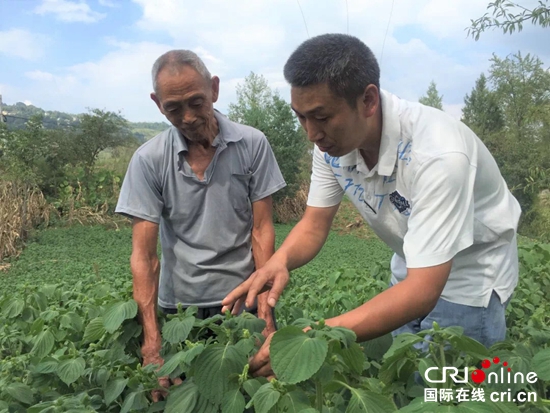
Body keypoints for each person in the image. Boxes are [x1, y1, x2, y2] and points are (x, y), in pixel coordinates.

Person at [222, 34, 521, 378]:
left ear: (368, 100)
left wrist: (315, 338)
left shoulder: (438, 155)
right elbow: (314, 223)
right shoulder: (332, 145)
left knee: (450, 395)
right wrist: (279, 261)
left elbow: (423, 291)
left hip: (470, 284)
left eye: (320, 116)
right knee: (407, 386)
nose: (310, 133)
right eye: (301, 117)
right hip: (410, 271)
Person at [115, 50, 286, 395]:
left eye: (196, 102)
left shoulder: (252, 144)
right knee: (185, 395)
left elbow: (261, 230)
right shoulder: (148, 160)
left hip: (242, 301)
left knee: (253, 392)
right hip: (180, 309)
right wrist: (152, 344)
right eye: (174, 108)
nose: (189, 117)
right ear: (157, 104)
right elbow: (144, 258)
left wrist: (265, 312)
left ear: (214, 89)